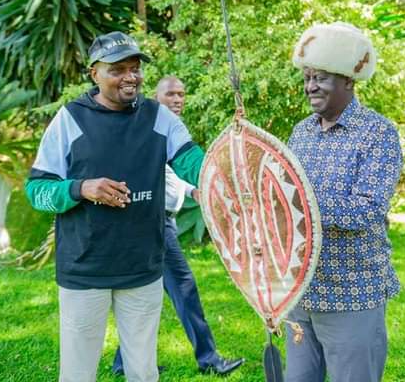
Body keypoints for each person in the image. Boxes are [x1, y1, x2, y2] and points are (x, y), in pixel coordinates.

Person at [25, 32, 204, 382]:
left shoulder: (159, 117)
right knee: (78, 372)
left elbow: (193, 163)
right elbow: (37, 190)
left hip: (142, 267)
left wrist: (225, 167)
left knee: (143, 371)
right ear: (95, 74)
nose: (130, 77)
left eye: (134, 68)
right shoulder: (70, 119)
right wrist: (81, 188)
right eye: (118, 69)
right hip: (84, 269)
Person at [284, 22, 403, 382]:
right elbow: (283, 196)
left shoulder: (378, 133)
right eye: (307, 77)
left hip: (352, 291)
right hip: (302, 290)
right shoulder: (301, 131)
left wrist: (300, 203)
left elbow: (367, 209)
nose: (310, 87)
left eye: (320, 77)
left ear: (349, 80)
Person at [111, 75, 244, 377]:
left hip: (156, 221)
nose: (177, 99)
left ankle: (124, 361)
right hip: (151, 223)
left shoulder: (166, 131)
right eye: (170, 94)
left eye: (182, 94)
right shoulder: (148, 127)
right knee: (183, 288)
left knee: (143, 294)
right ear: (156, 98)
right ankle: (209, 360)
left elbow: (167, 171)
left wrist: (192, 190)